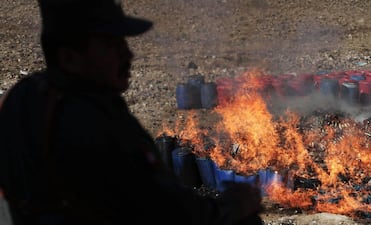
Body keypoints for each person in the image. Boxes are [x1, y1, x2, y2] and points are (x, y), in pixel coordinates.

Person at [0, 0, 263, 225]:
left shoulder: (20, 97)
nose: (128, 54)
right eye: (110, 44)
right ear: (69, 57)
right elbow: (169, 212)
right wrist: (233, 207)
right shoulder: (97, 123)